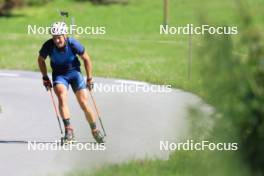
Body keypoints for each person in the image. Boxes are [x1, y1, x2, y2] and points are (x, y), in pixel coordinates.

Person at [37, 21, 104, 143]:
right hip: (60, 75)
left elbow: (86, 59)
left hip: (75, 74)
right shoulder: (48, 45)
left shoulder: (73, 44)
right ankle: (69, 131)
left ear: (65, 35)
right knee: (62, 97)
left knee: (83, 102)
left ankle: (95, 131)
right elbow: (41, 59)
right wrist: (45, 77)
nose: (57, 41)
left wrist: (89, 78)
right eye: (54, 38)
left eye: (59, 38)